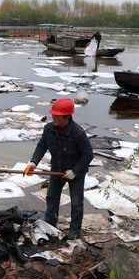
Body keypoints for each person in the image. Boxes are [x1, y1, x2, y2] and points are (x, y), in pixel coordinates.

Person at [23, 98, 93, 239]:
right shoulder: (48, 128)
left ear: (66, 117)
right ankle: (50, 224)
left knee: (76, 202)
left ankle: (74, 231)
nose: (53, 117)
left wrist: (74, 171)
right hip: (56, 169)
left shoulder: (78, 133)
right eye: (53, 114)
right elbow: (42, 146)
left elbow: (88, 155)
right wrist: (33, 162)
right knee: (51, 197)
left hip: (76, 172)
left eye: (56, 115)